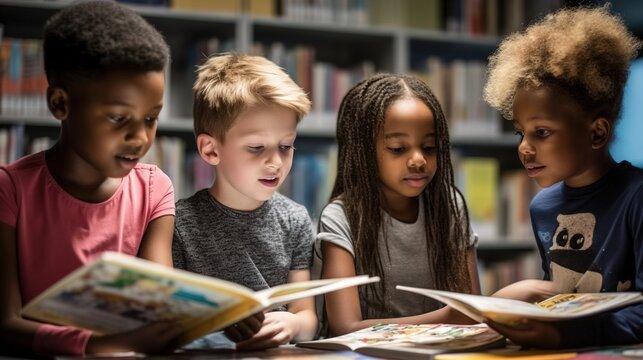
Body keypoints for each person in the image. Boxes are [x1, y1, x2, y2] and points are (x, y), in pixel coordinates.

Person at [0, 1, 180, 356]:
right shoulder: (11, 190)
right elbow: (4, 324)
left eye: (150, 119)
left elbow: (160, 307)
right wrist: (96, 345)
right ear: (60, 104)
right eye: (118, 119)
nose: (141, 139)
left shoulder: (154, 188)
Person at [483, 6, 642, 348]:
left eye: (541, 132)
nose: (524, 148)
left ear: (597, 133)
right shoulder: (543, 206)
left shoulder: (637, 198)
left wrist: (562, 333)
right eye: (520, 133)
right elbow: (560, 296)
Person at [316, 74, 480, 336]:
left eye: (429, 147)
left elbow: (472, 312)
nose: (418, 160)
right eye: (397, 148)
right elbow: (344, 327)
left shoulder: (449, 206)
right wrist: (449, 315)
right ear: (364, 152)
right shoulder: (342, 216)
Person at [172, 53, 317, 350]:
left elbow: (306, 316)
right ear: (211, 150)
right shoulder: (178, 223)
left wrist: (293, 324)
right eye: (256, 148)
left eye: (286, 146)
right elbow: (171, 322)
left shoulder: (295, 220)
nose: (275, 162)